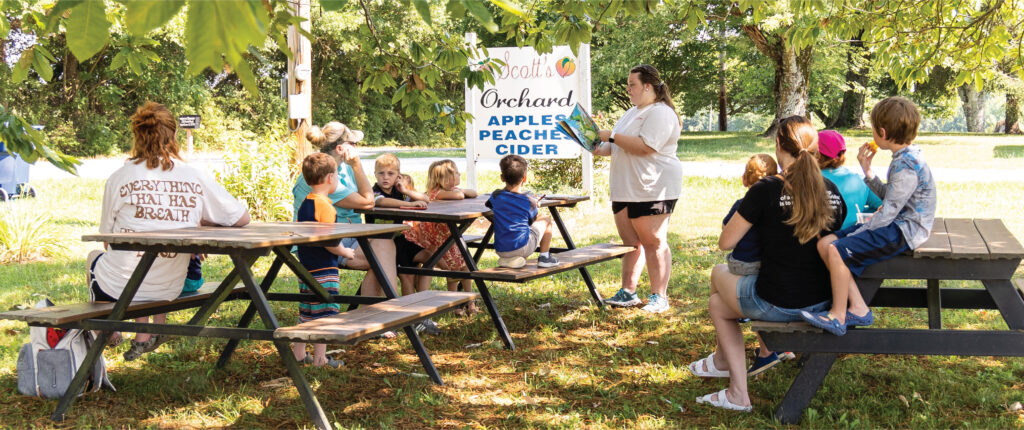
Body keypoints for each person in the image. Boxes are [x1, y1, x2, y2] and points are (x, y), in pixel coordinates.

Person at [690, 116, 846, 412]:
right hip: (823, 300)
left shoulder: (766, 189)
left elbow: (726, 242)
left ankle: (735, 385)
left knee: (717, 283)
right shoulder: (831, 190)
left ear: (778, 144)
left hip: (779, 301)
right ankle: (726, 367)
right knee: (719, 303)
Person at [91, 101, 250, 361]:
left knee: (93, 259)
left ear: (137, 137)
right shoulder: (194, 175)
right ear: (174, 135)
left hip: (121, 286)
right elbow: (241, 218)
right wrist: (203, 221)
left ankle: (104, 332)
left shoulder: (120, 177)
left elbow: (107, 241)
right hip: (168, 288)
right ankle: (130, 331)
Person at [802, 97, 936, 336]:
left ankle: (837, 315)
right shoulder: (904, 158)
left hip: (905, 230)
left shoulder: (906, 165)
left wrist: (861, 231)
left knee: (836, 249)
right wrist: (867, 170)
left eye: (872, 128)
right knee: (825, 243)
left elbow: (888, 212)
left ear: (882, 132)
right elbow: (890, 198)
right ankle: (860, 308)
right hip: (894, 221)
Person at [593, 64, 683, 314]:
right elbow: (616, 146)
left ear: (648, 86)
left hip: (652, 187)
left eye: (632, 84)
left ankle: (659, 297)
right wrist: (596, 147)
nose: (628, 89)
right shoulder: (631, 112)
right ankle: (628, 292)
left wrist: (610, 135)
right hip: (625, 188)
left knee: (654, 242)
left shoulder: (662, 113)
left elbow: (645, 146)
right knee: (631, 243)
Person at [292, 123, 399, 299]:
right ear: (341, 148)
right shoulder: (324, 176)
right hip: (323, 243)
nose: (357, 148)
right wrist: (357, 164)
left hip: (347, 234)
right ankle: (394, 311)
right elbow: (367, 202)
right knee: (383, 251)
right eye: (354, 144)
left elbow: (368, 194)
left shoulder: (344, 168)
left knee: (385, 245)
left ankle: (380, 315)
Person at [291, 153, 351, 368]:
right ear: (329, 178)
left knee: (308, 310)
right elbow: (329, 240)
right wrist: (346, 252)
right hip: (324, 267)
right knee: (325, 312)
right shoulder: (325, 205)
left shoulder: (306, 203)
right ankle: (320, 359)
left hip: (306, 264)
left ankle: (298, 354)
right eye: (337, 176)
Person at [402, 159, 479, 314]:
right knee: (454, 269)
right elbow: (458, 196)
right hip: (438, 241)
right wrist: (461, 192)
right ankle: (454, 304)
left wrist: (462, 190)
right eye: (456, 173)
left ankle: (470, 302)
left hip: (449, 237)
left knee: (464, 266)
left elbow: (473, 193)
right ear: (445, 179)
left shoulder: (452, 190)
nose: (459, 174)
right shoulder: (436, 192)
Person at [485, 154, 558, 269]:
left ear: (502, 178)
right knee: (546, 219)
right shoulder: (528, 201)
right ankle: (545, 257)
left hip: (500, 249)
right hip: (521, 247)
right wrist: (535, 205)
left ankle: (509, 259)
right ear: (525, 178)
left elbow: (490, 204)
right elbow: (530, 221)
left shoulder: (495, 196)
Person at [723, 154, 779, 277]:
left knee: (717, 287)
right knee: (716, 297)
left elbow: (725, 228)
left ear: (744, 179)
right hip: (766, 263)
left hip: (742, 263)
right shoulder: (776, 206)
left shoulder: (741, 204)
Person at [816, 129, 883, 230]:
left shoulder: (806, 180)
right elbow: (882, 206)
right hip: (851, 238)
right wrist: (858, 215)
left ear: (817, 155)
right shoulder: (860, 180)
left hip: (816, 241)